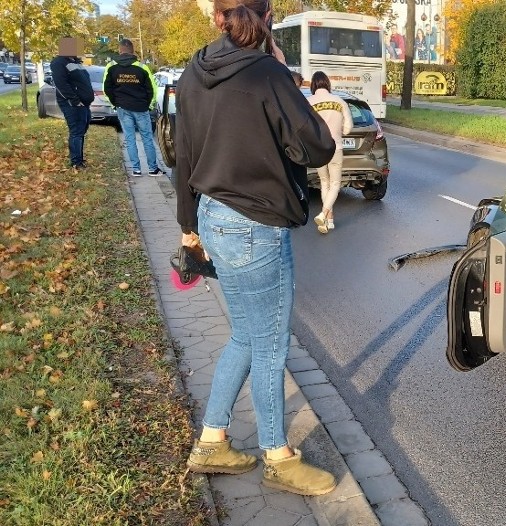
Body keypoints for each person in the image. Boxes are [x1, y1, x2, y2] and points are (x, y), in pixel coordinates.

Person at [175, 0, 338, 496]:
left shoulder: (192, 71)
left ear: (215, 17)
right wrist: (288, 84)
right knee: (269, 344)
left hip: (213, 217)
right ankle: (277, 455)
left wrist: (188, 228)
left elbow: (183, 154)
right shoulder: (268, 73)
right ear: (266, 18)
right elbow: (318, 147)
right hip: (255, 223)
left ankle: (211, 441)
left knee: (246, 337)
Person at [104, 39, 163, 176]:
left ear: (120, 51)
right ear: (132, 50)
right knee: (147, 138)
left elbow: (107, 88)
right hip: (141, 107)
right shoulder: (142, 68)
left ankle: (136, 169)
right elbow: (151, 90)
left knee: (129, 138)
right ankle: (153, 169)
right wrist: (148, 104)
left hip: (122, 108)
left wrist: (115, 102)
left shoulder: (112, 68)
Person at [306, 71, 353, 234]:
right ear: (327, 83)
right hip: (336, 148)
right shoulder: (339, 102)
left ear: (313, 84)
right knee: (335, 184)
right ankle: (324, 212)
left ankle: (329, 220)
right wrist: (340, 131)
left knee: (324, 182)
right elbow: (348, 128)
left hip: (318, 149)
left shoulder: (308, 102)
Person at [50, 37, 94, 170]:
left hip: (84, 104)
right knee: (76, 132)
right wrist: (75, 101)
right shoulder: (59, 63)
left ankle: (79, 158)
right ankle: (76, 162)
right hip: (73, 104)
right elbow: (61, 84)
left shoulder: (75, 62)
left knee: (82, 130)